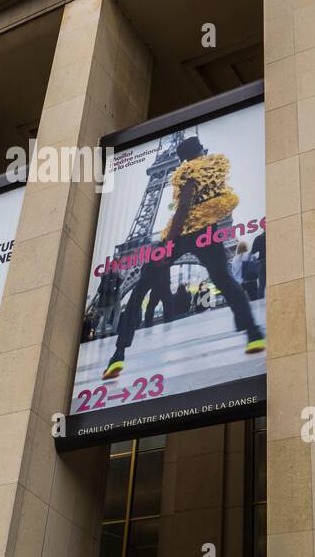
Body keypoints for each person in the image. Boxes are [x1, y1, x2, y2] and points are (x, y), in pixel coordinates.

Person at [102, 134, 264, 378]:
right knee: (225, 280)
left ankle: (118, 354)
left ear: (182, 159)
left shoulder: (189, 170)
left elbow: (184, 206)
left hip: (181, 234)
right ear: (201, 150)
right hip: (208, 231)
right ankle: (253, 333)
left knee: (141, 289)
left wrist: (168, 243)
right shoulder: (213, 168)